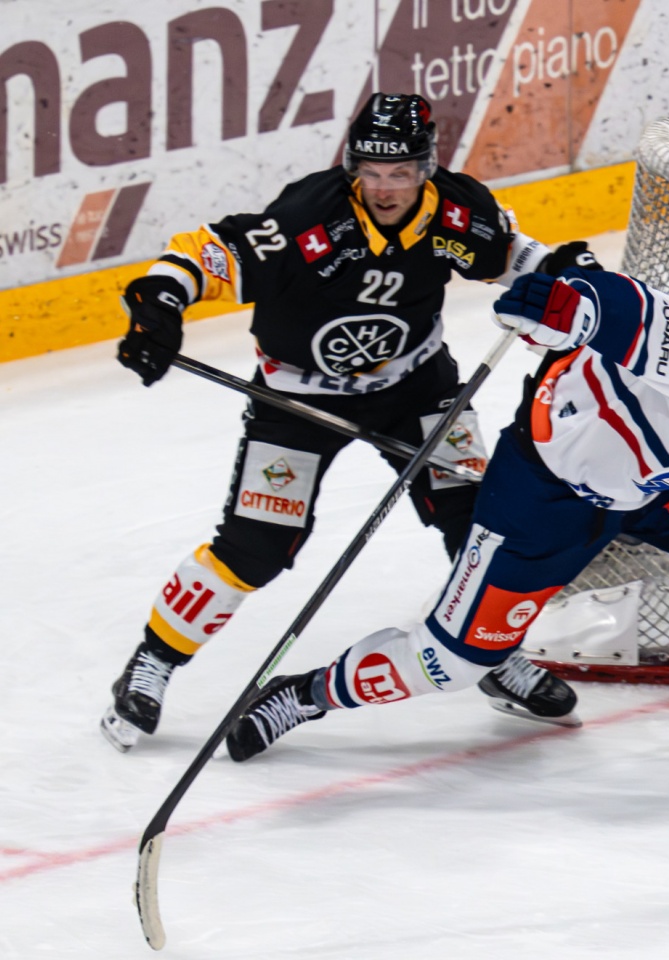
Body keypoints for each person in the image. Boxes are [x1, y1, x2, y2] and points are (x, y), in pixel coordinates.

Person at [220, 245, 669, 777]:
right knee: (451, 661)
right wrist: (569, 304)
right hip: (549, 490)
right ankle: (305, 695)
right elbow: (631, 311)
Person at [102, 93, 599, 752]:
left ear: (425, 168)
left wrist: (566, 274)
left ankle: (491, 653)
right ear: (351, 167)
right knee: (254, 546)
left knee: (479, 520)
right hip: (299, 401)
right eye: (371, 171)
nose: (385, 187)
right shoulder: (309, 217)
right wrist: (161, 302)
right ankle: (153, 662)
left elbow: (516, 256)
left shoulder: (457, 211)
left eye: (400, 172)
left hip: (417, 388)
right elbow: (211, 252)